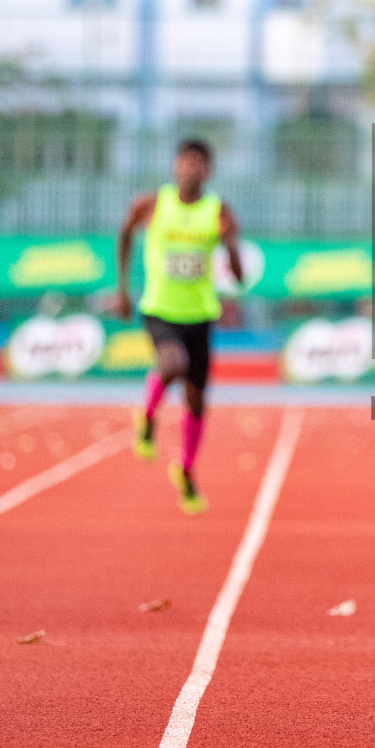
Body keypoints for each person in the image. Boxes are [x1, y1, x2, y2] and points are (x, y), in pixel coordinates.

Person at [115, 139, 244, 515]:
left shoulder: (218, 211)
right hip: (160, 308)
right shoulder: (153, 204)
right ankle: (148, 414)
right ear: (174, 166)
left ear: (209, 171)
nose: (191, 169)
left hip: (200, 315)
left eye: (199, 164)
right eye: (185, 162)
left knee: (197, 401)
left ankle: (185, 470)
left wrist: (229, 245)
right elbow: (125, 234)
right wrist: (122, 290)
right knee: (173, 365)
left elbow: (238, 273)